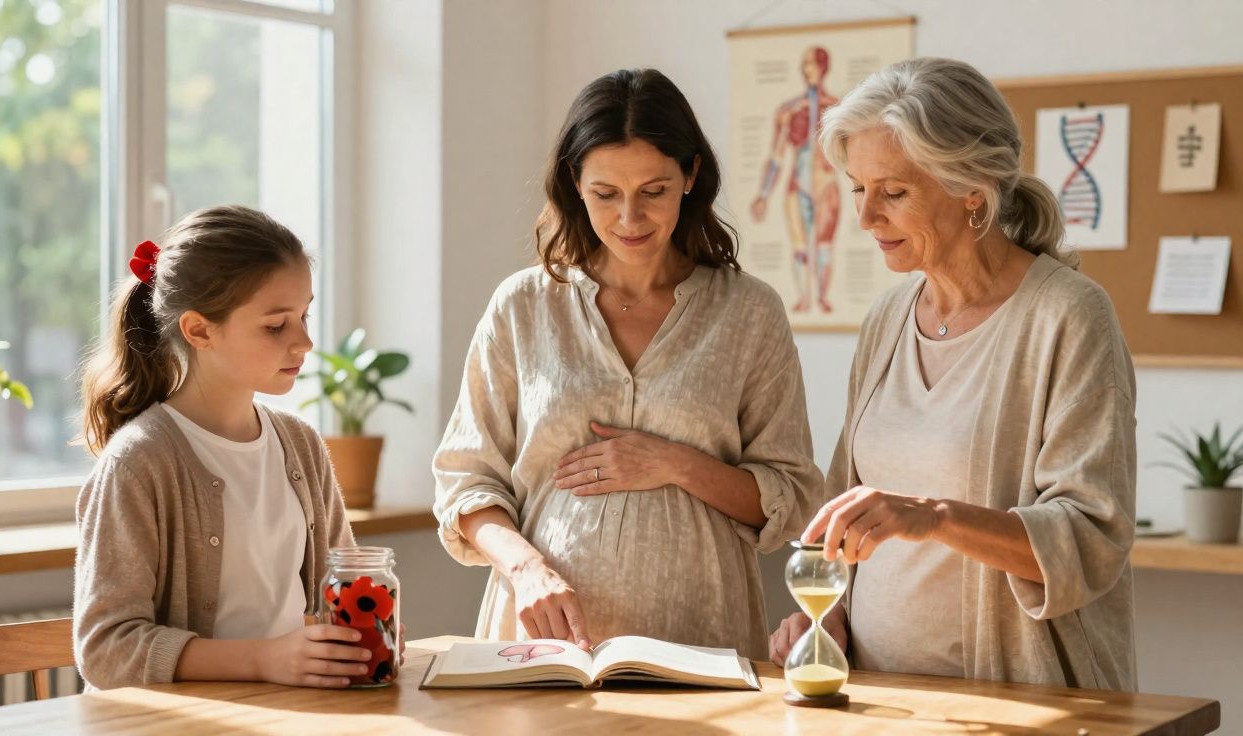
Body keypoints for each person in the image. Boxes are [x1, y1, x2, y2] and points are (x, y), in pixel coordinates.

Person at [767, 57, 1137, 690]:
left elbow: (1090, 535)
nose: (865, 218)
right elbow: (845, 508)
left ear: (973, 191)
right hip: (883, 695)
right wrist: (827, 618)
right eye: (858, 188)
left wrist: (934, 516)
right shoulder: (888, 316)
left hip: (1022, 696)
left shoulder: (1068, 315)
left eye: (894, 191)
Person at [433, 69, 824, 659]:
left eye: (654, 190)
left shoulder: (749, 312)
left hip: (699, 632)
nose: (629, 219)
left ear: (691, 175)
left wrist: (674, 463)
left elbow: (791, 495)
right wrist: (526, 569)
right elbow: (466, 481)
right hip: (541, 639)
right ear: (575, 184)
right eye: (605, 194)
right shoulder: (523, 305)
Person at [74, 205, 369, 689]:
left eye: (304, 315)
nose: (305, 342)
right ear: (199, 330)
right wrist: (264, 660)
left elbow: (345, 585)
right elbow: (107, 649)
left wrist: (364, 630)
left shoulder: (301, 445)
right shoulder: (138, 462)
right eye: (276, 325)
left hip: (291, 715)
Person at [750, 46, 842, 313]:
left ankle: (822, 297)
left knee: (824, 246)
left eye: (811, 64)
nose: (806, 70)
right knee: (800, 248)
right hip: (797, 184)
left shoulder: (839, 108)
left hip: (826, 183)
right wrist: (764, 194)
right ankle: (804, 296)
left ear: (823, 67)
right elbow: (776, 156)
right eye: (803, 64)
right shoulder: (789, 111)